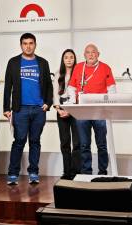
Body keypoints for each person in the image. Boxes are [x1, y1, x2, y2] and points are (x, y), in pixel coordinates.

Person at [3, 33, 53, 185]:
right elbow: (7, 87)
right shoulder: (13, 62)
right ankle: (13, 174)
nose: (28, 46)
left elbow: (49, 86)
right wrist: (6, 107)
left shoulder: (43, 63)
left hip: (38, 109)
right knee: (19, 141)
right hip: (20, 109)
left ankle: (33, 173)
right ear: (21, 45)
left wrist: (48, 103)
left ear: (35, 44)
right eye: (25, 43)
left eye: (31, 43)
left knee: (35, 141)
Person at [67, 44, 116, 175]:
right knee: (84, 145)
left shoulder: (105, 68)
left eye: (93, 52)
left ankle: (102, 172)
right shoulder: (78, 68)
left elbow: (112, 89)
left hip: (100, 112)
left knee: (101, 145)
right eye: (88, 52)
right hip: (82, 112)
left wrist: (109, 106)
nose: (90, 55)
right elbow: (71, 88)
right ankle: (86, 172)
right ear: (84, 55)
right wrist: (73, 103)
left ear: (98, 54)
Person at [53, 49, 80, 180]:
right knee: (65, 142)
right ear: (63, 60)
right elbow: (54, 94)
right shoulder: (59, 74)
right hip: (61, 110)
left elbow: (80, 92)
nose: (69, 60)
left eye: (71, 57)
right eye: (66, 57)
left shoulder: (79, 73)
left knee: (77, 142)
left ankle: (76, 171)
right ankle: (67, 172)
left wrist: (71, 110)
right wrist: (59, 110)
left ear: (75, 59)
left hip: (75, 110)